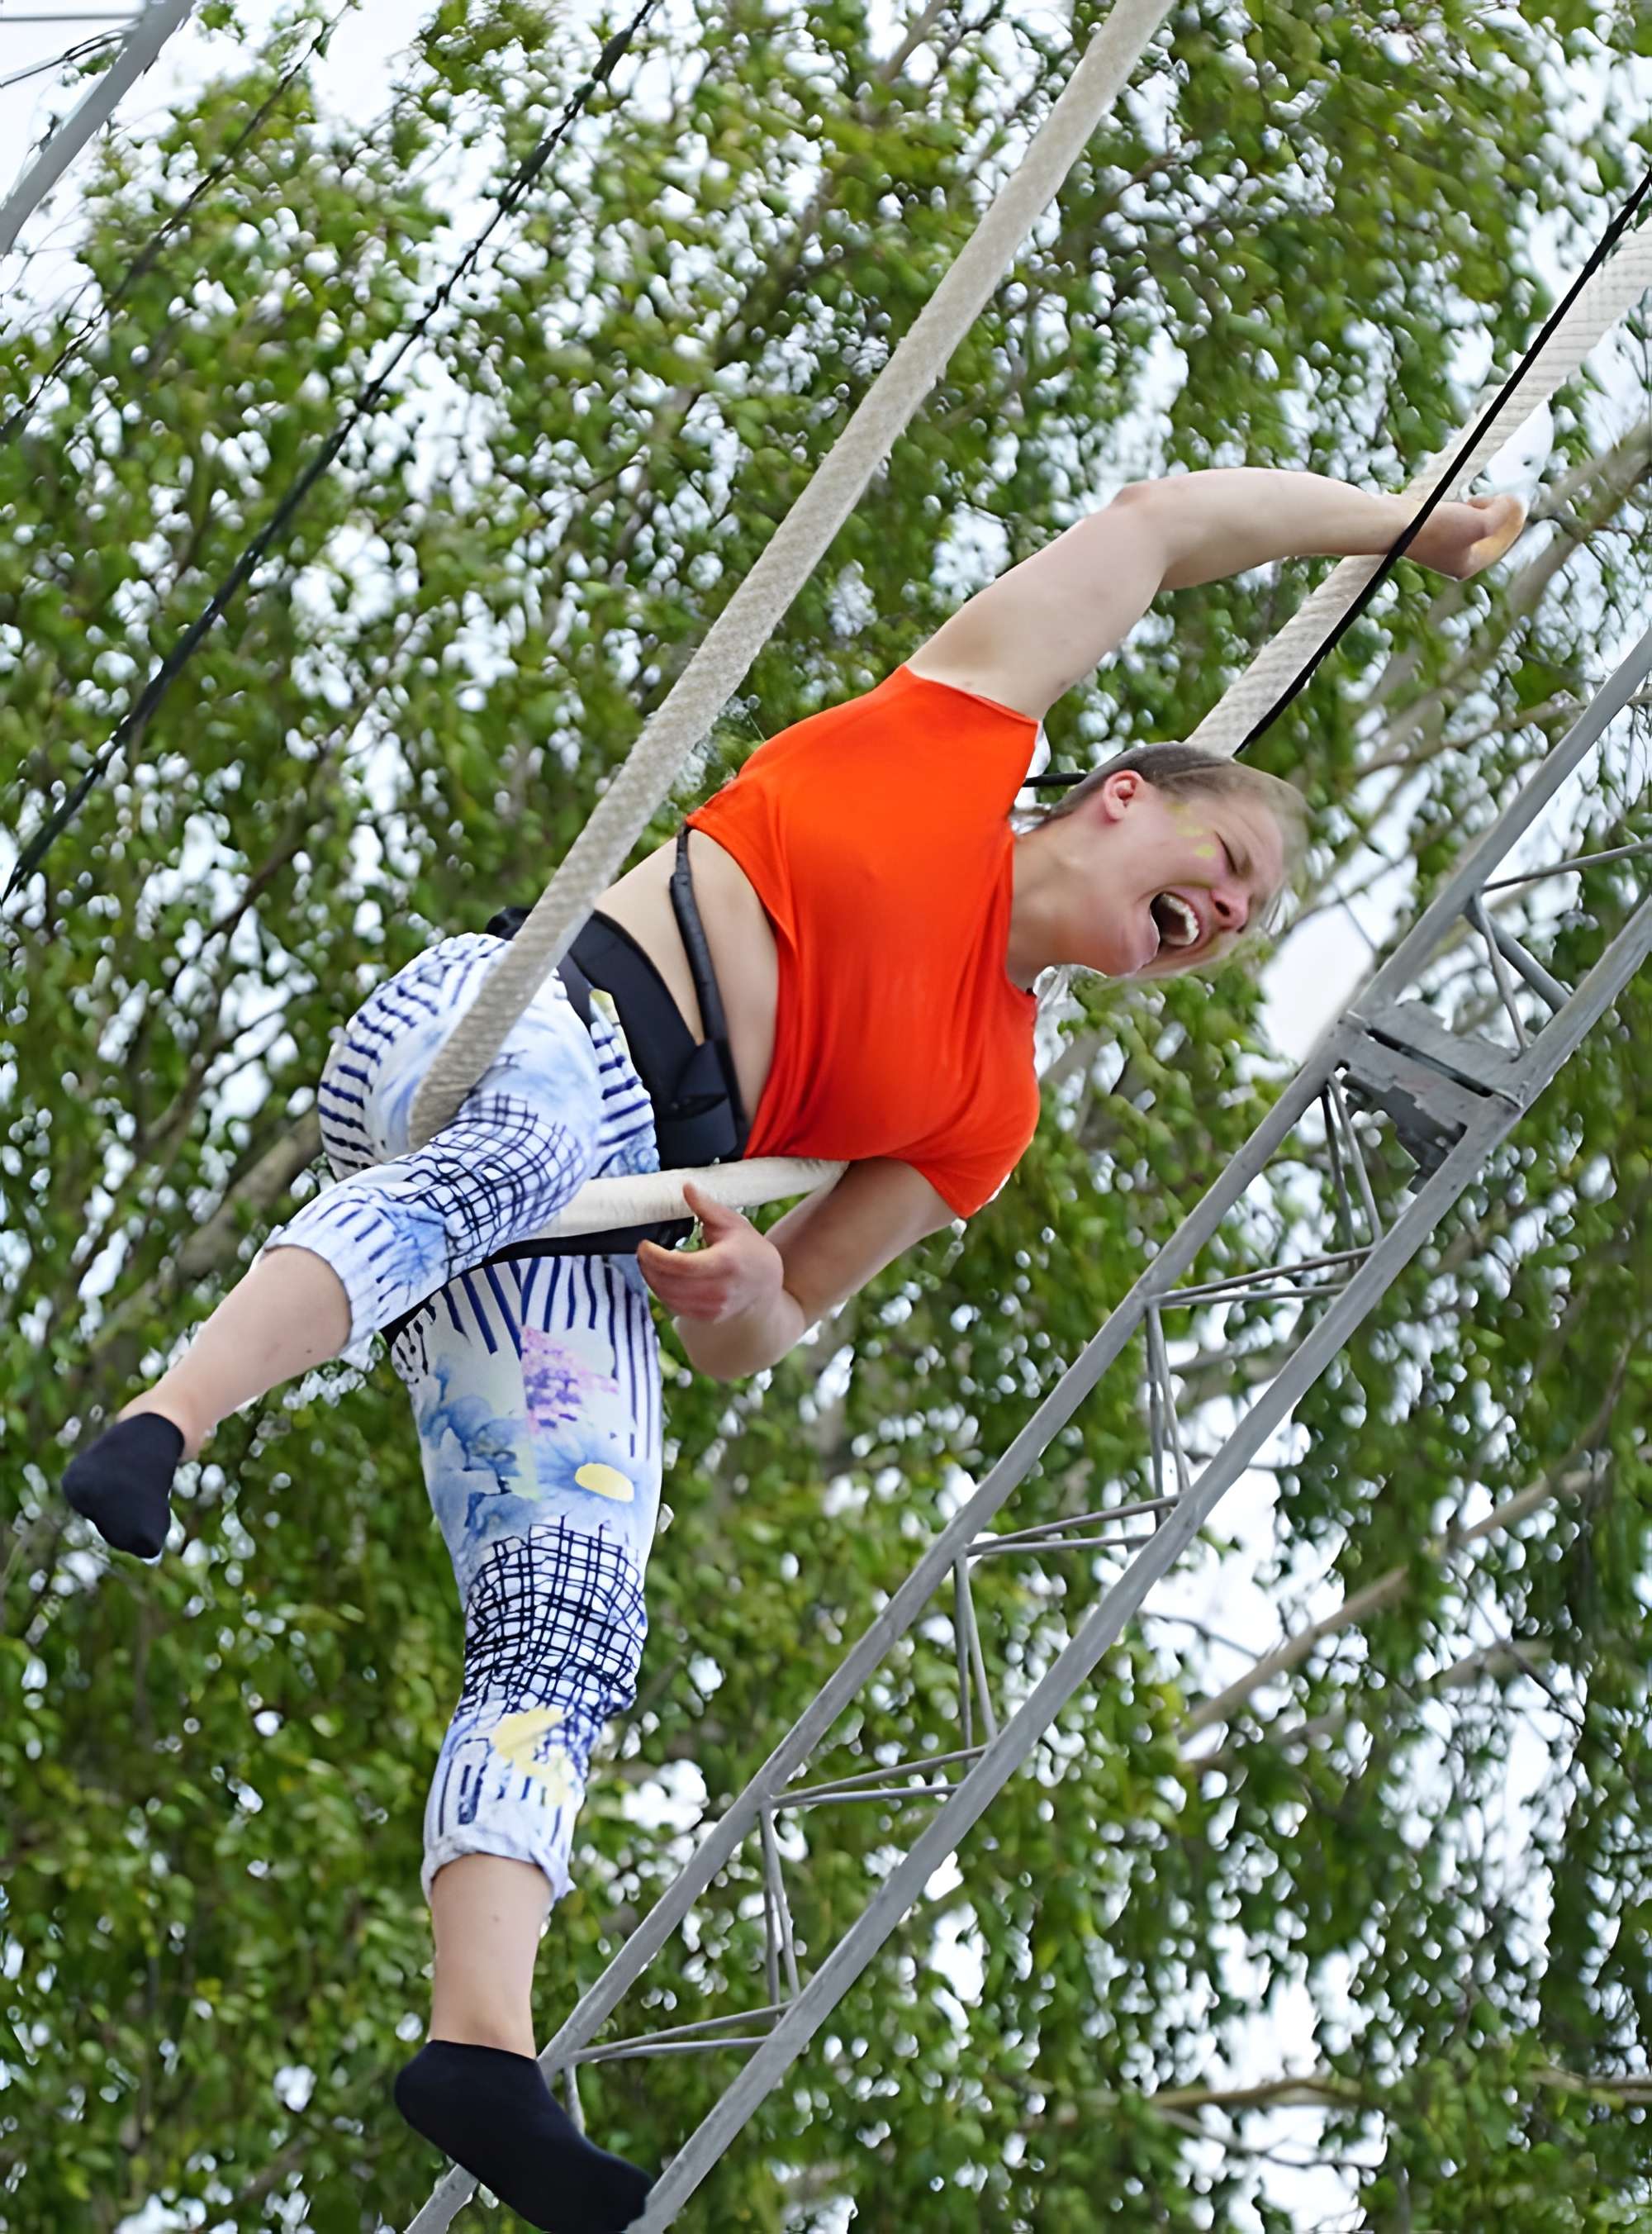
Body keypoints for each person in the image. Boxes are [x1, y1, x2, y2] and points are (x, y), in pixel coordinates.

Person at [59, 468, 1524, 2233]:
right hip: (523, 1028)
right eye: (1216, 869)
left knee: (578, 1595)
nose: (1218, 921)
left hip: (615, 1218)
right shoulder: (953, 733)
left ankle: (479, 2046)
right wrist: (1404, 527)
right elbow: (1153, 525)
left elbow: (777, 1325)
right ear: (1119, 793)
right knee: (513, 1155)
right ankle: (167, 1419)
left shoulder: (989, 1102)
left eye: (1235, 935)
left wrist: (739, 1281)